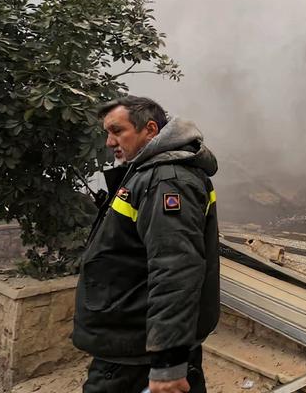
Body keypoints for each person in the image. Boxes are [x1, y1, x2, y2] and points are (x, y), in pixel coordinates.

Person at [73, 96, 220, 393]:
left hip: (138, 353)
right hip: (132, 343)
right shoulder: (147, 172)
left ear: (150, 130)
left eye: (117, 131)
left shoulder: (166, 179)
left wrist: (168, 363)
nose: (109, 142)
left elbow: (176, 270)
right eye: (107, 133)